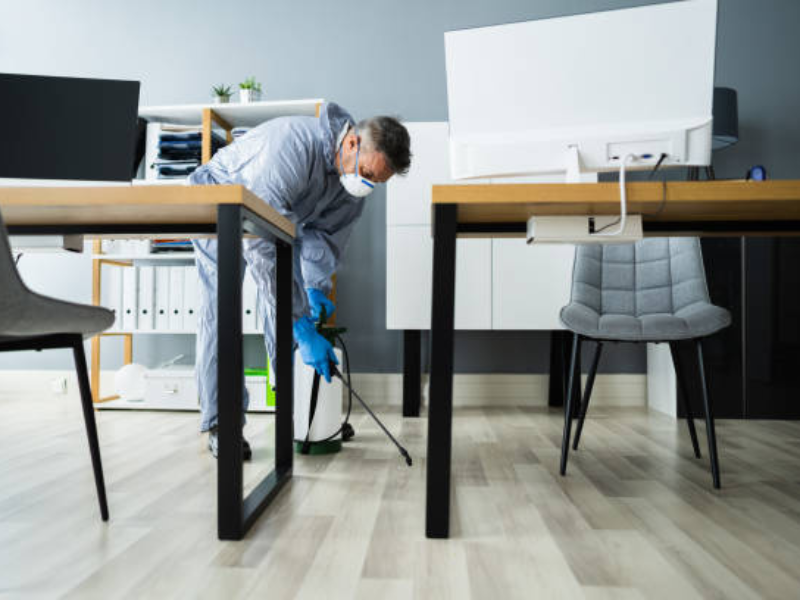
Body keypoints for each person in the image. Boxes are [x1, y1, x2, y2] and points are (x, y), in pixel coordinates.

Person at [187, 102, 411, 459]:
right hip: (218, 198)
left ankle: (302, 411)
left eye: (376, 183)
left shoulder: (351, 187)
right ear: (352, 143)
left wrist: (313, 289)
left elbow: (323, 242)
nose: (367, 185)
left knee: (294, 308)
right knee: (222, 308)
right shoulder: (292, 148)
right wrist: (300, 323)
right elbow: (265, 250)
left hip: (269, 218)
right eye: (368, 173)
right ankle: (222, 423)